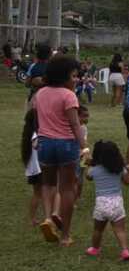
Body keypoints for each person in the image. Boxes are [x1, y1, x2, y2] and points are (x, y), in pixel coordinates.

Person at [32, 56, 88, 246]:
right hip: (66, 144)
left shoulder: (40, 94)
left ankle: (48, 218)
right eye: (73, 76)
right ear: (63, 77)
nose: (76, 79)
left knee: (47, 184)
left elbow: (38, 120)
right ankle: (65, 235)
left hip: (45, 144)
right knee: (66, 188)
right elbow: (74, 124)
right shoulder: (68, 95)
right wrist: (85, 147)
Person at [85, 141, 129, 260]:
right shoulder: (119, 169)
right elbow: (127, 182)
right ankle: (125, 250)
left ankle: (94, 248)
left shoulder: (95, 169)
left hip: (101, 204)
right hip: (117, 203)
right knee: (120, 230)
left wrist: (89, 164)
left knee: (98, 230)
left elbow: (88, 177)